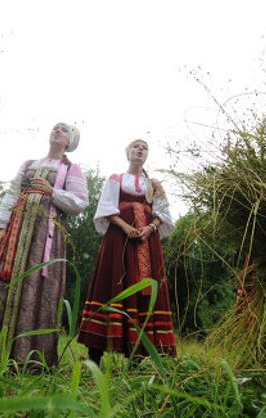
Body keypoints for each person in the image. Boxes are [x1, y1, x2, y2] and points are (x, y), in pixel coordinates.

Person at [0, 122, 89, 370]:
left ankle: (30, 361)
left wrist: (52, 191)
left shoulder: (71, 169)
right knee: (3, 285)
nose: (57, 131)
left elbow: (79, 203)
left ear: (70, 142)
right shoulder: (28, 164)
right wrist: (1, 226)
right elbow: (11, 194)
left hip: (46, 238)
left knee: (38, 288)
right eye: (55, 127)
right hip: (17, 232)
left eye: (64, 130)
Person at [77, 139, 176, 364]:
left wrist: (150, 229)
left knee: (145, 290)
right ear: (128, 152)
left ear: (147, 155)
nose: (140, 150)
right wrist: (127, 227)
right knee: (111, 283)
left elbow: (163, 214)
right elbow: (106, 208)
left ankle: (138, 356)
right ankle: (95, 355)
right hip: (119, 240)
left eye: (145, 148)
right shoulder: (116, 179)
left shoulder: (154, 184)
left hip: (147, 243)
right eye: (136, 146)